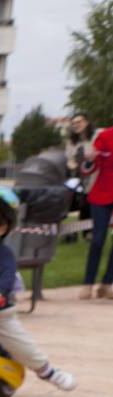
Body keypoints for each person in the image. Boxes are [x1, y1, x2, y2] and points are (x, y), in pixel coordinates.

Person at [0, 188, 76, 391]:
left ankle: (47, 370)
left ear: (1, 229)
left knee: (17, 341)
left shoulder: (3, 254)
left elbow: (7, 276)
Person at [80, 125, 113, 300]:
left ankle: (107, 284)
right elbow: (88, 169)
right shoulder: (104, 136)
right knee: (98, 239)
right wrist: (90, 160)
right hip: (102, 194)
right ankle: (88, 283)